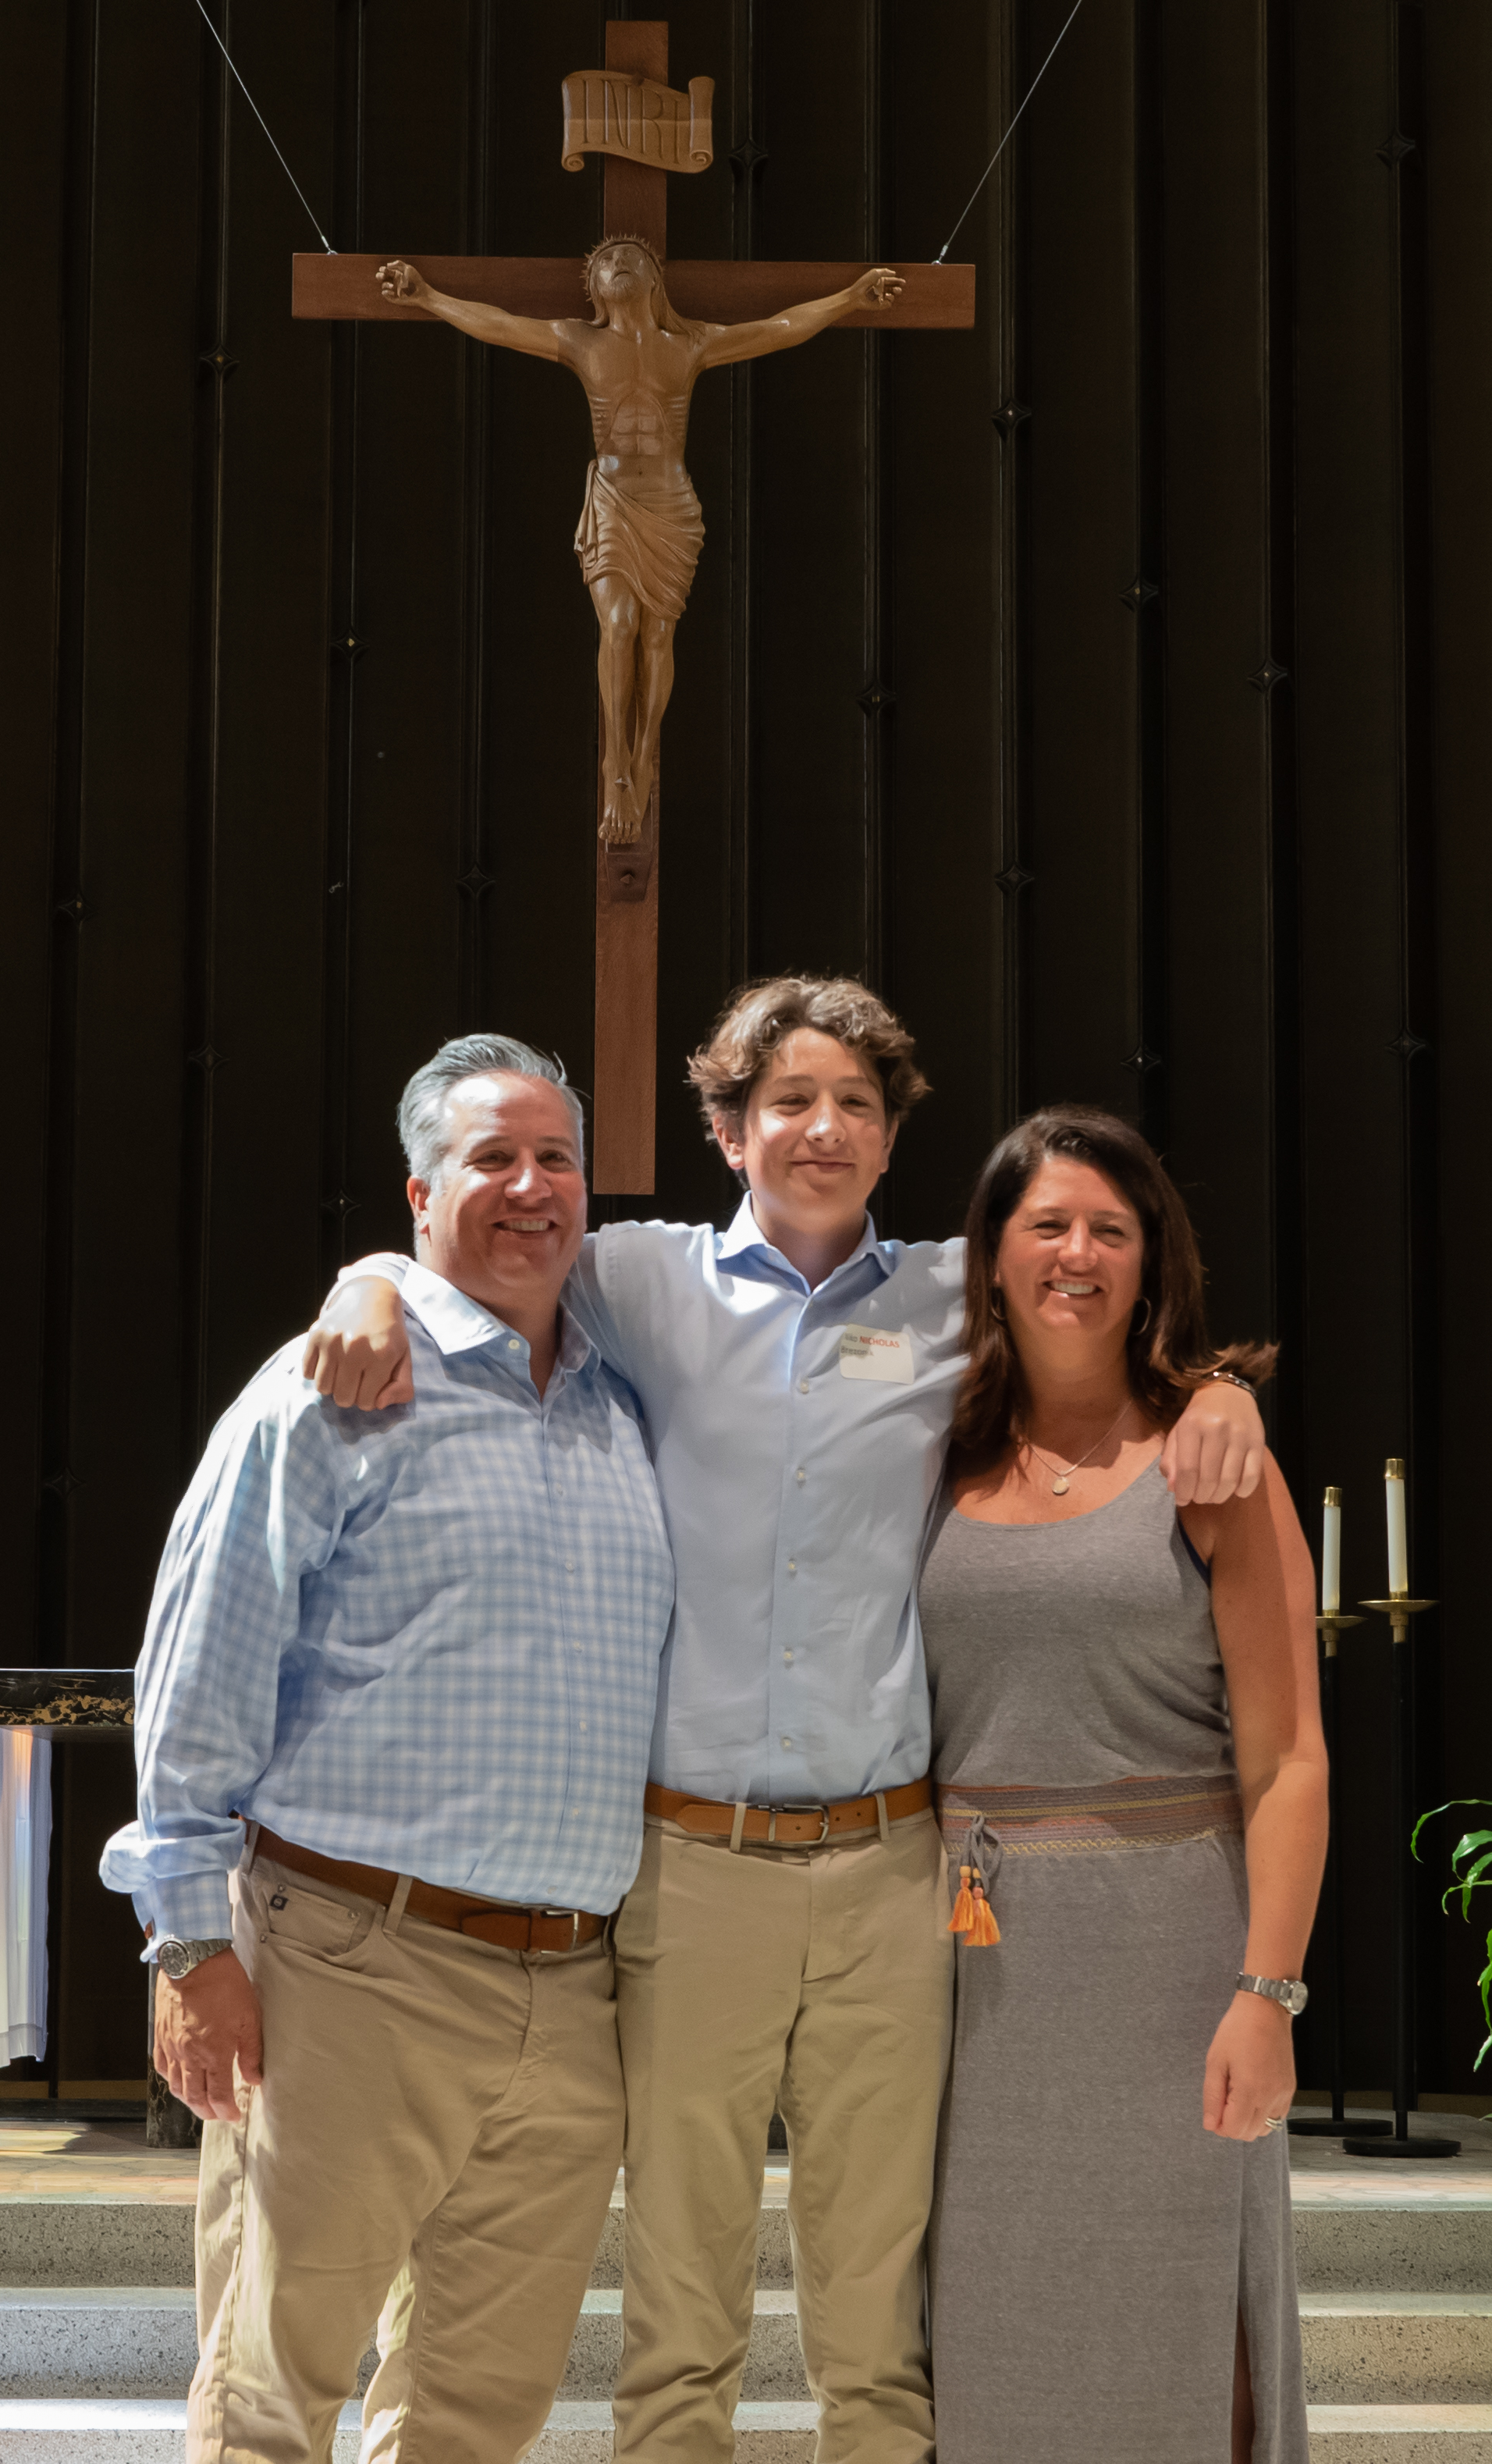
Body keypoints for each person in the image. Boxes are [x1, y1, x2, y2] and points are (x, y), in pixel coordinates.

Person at [306, 978, 1270, 2464]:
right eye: (791, 1101)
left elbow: (1101, 1315)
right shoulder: (639, 1278)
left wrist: (1219, 1396)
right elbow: (478, 1245)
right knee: (681, 2300)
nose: (825, 1128)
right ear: (728, 1127)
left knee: (876, 2308)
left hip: (893, 1875)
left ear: (892, 1135)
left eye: (857, 1105)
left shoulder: (955, 1295)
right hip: (692, 1871)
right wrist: (366, 1277)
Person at [100, 1035, 674, 2464]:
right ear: (420, 1194)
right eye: (492, 1158)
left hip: (571, 1988)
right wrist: (189, 1945)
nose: (531, 1186)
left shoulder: (625, 1407)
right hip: (351, 1962)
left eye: (555, 1158)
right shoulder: (332, 1390)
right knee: (271, 2396)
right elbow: (200, 1669)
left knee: (478, 2414)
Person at [919, 1104, 1324, 2464]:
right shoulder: (934, 1449)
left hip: (1171, 1963)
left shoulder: (1213, 1463)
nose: (1077, 1253)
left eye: (1111, 1228)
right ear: (992, 1254)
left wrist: (1267, 1995)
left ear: (1152, 1259)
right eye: (1047, 1224)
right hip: (972, 1970)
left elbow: (1288, 1759)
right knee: (990, 2326)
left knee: (1179, 2311)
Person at [374, 244, 903, 842]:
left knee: (657, 635)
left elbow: (779, 328)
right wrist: (428, 297)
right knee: (620, 624)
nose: (617, 263)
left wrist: (850, 298)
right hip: (612, 499)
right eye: (606, 261)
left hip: (670, 506)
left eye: (631, 257)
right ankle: (615, 762)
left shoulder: (691, 343)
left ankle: (646, 749)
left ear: (656, 279)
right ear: (594, 288)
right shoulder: (580, 341)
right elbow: (498, 325)